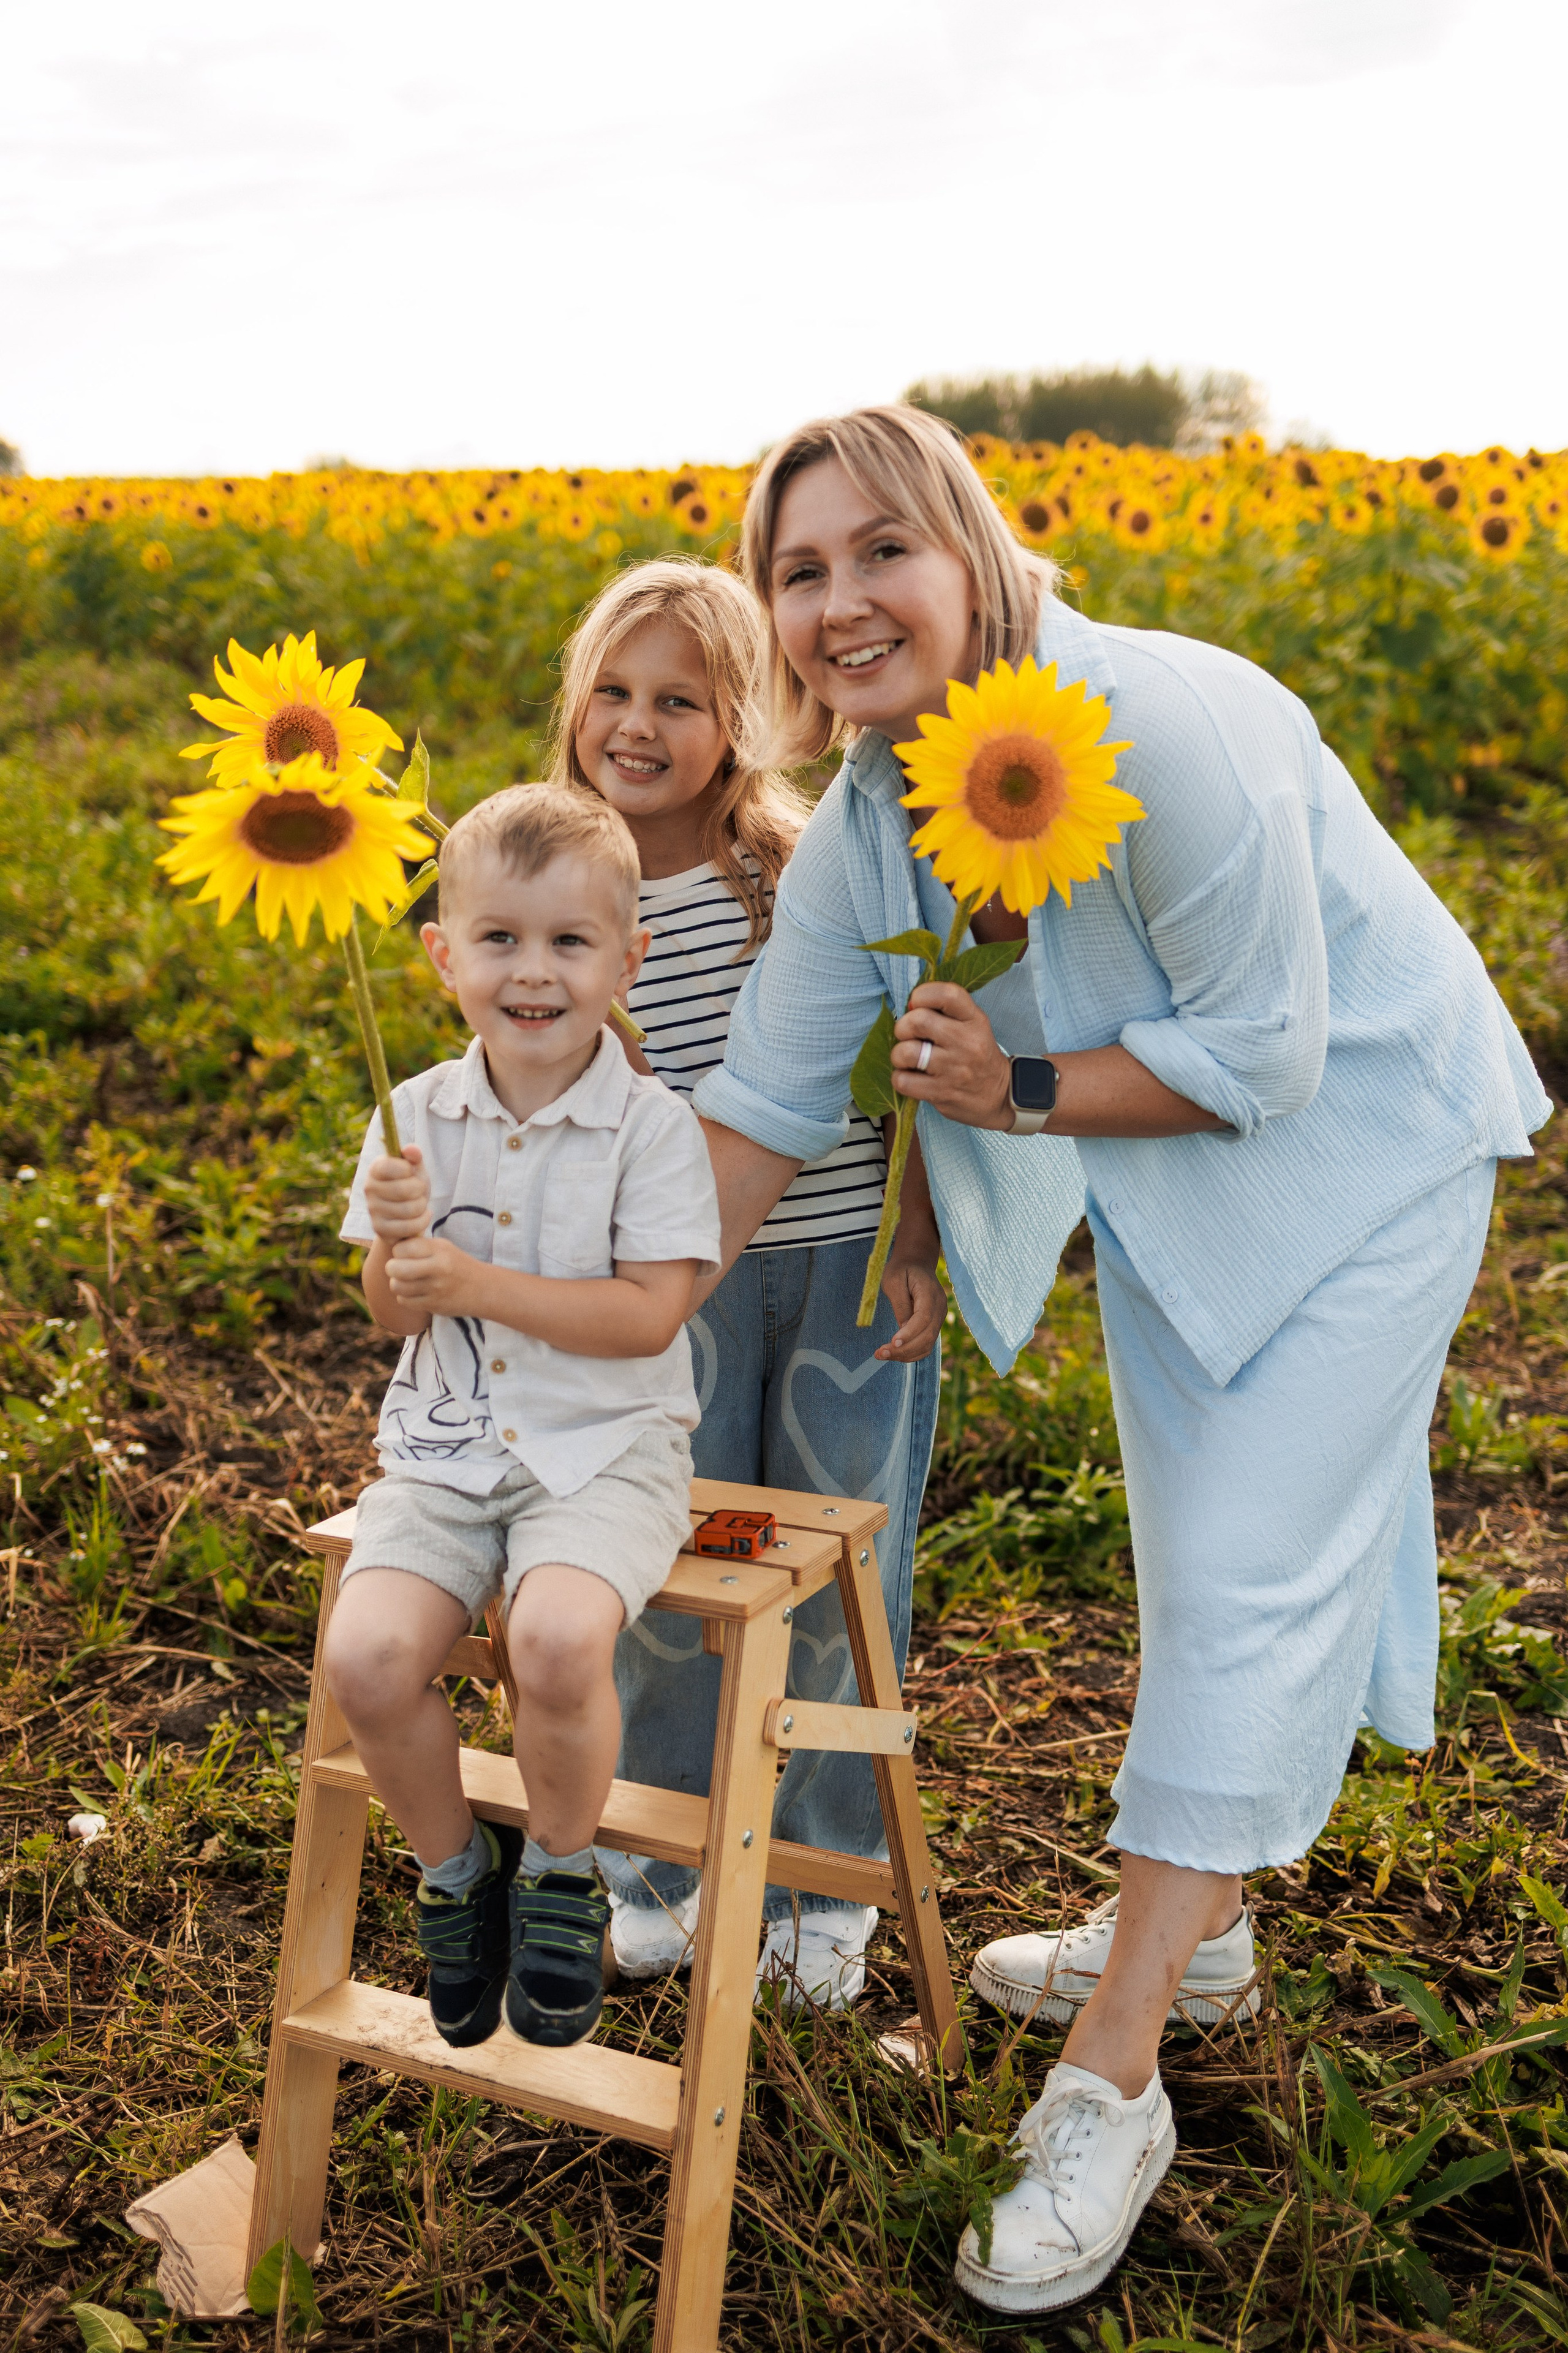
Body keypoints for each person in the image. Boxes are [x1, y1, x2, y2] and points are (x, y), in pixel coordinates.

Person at [687, 405, 1551, 2312]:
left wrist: (1018, 1086)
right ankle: (1207, 1928)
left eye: (879, 550)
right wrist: (596, 1312)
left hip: (1368, 1161)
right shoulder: (867, 819)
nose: (840, 603)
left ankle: (1119, 2071)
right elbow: (757, 1102)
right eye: (799, 570)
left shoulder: (1167, 723)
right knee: (1211, 1568)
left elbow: (1273, 1054)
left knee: (1248, 1578)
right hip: (1173, 1190)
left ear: (975, 546)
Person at [547, 556, 944, 2007]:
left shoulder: (795, 868)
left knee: (842, 1579)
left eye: (682, 700)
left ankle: (815, 1893)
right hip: (671, 1290)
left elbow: (899, 1066)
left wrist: (914, 1233)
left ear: (748, 718)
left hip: (836, 1264)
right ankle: (661, 1864)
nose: (636, 725)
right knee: (668, 1571)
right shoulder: (559, 889)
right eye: (613, 690)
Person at [322, 784, 720, 2052]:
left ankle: (558, 1866)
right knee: (366, 1661)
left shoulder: (652, 1131)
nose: (532, 972)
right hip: (444, 1453)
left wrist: (477, 1281)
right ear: (444, 954)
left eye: (568, 942)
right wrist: (394, 1249)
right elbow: (392, 1314)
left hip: (608, 1451)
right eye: (499, 939)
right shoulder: (412, 1120)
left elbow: (651, 1316)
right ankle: (458, 1873)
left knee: (551, 1638)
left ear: (625, 958)